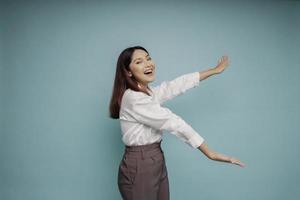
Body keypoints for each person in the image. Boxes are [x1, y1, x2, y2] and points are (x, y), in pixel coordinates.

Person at [109, 46, 246, 200]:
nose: (148, 64)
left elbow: (174, 86)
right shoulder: (134, 98)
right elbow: (173, 122)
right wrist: (210, 153)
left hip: (154, 157)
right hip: (140, 163)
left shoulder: (146, 92)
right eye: (139, 61)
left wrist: (213, 70)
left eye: (148, 58)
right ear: (128, 71)